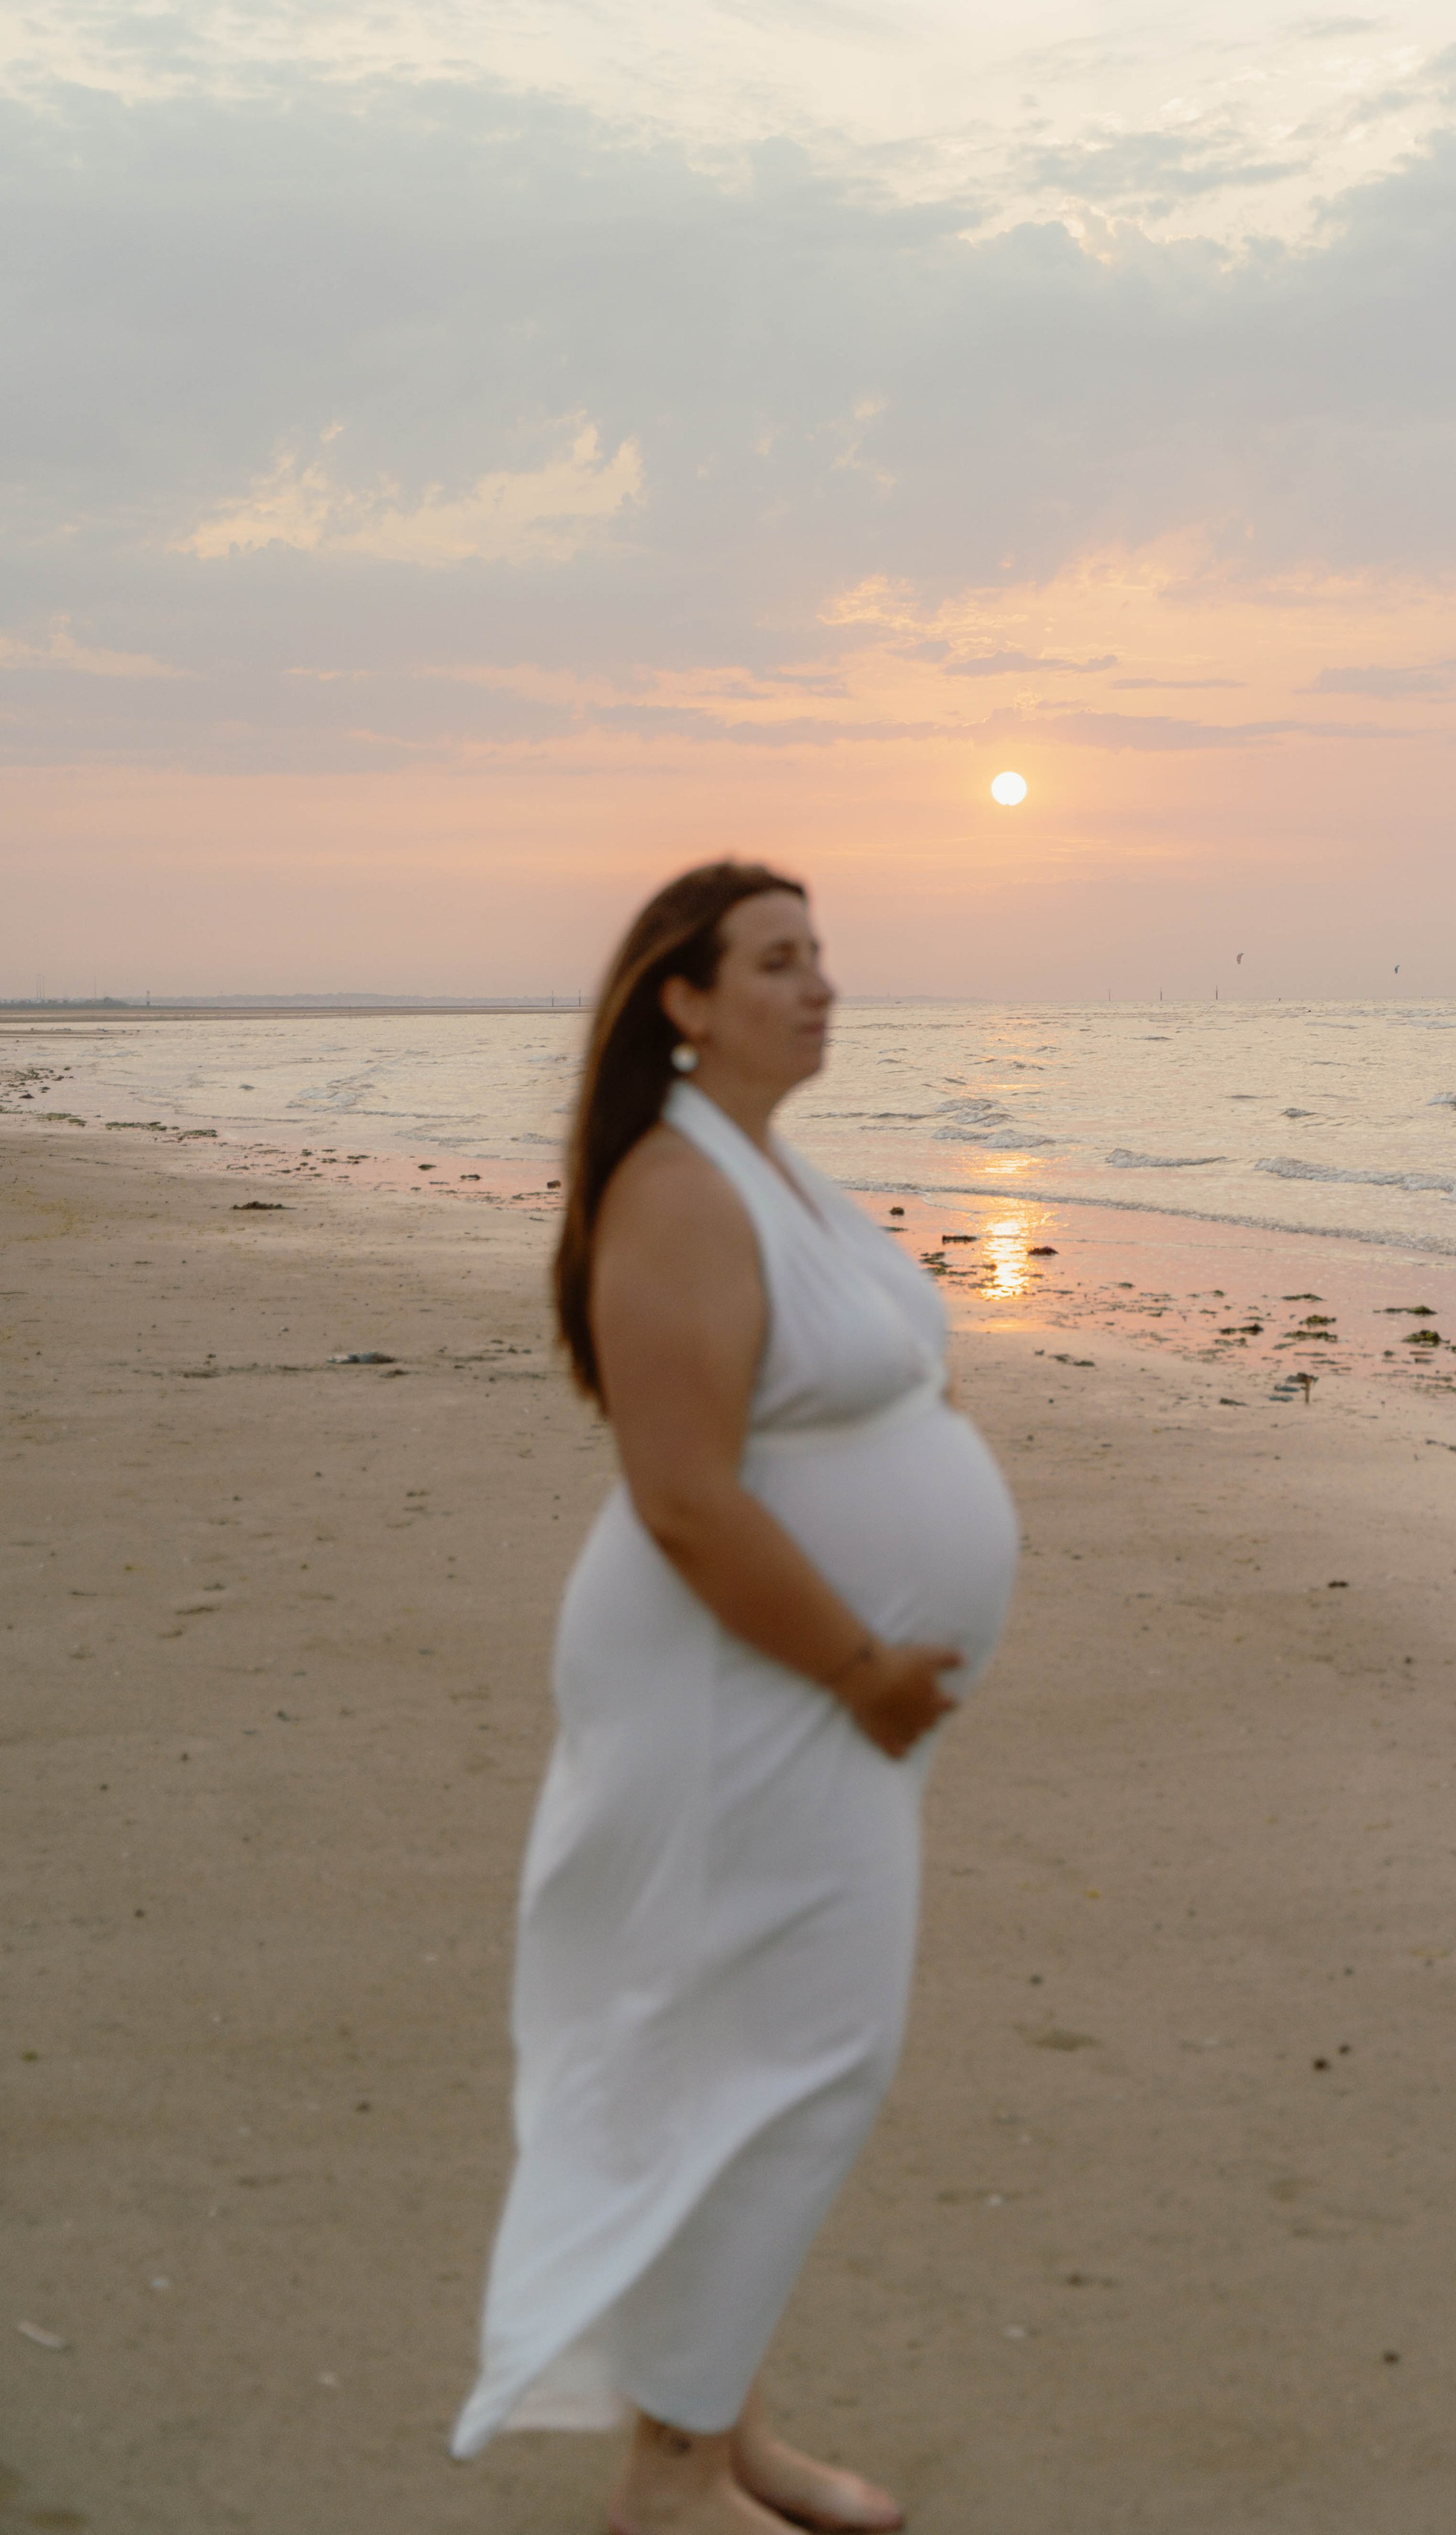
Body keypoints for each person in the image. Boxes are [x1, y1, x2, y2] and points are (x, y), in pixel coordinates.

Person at [452, 860, 1020, 2534]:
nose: (818, 982)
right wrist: (856, 1667)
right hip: (746, 1693)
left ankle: (729, 2436)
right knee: (804, 2055)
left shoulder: (765, 1170)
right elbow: (683, 1494)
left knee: (750, 2050)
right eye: (777, 960)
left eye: (822, 953)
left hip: (795, 1695)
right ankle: (671, 2479)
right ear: (682, 1000)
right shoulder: (674, 1190)